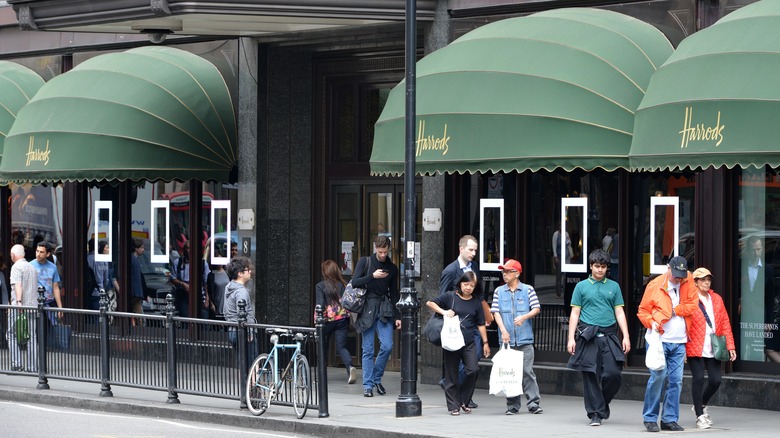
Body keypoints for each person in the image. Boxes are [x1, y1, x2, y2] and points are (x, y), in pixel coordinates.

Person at [566, 249, 630, 426]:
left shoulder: (614, 286)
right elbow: (575, 313)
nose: (600, 270)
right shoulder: (581, 287)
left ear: (607, 268)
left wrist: (626, 336)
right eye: (597, 266)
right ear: (591, 266)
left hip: (609, 335)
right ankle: (595, 413)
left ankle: (601, 404)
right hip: (588, 336)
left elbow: (619, 311)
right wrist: (571, 338)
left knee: (613, 373)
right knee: (590, 375)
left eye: (603, 267)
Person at [637, 255, 699, 432]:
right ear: (668, 268)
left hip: (679, 341)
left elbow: (692, 305)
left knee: (676, 381)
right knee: (658, 377)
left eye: (681, 275)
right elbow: (642, 311)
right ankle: (650, 417)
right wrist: (652, 322)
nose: (678, 279)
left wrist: (674, 310)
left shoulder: (689, 281)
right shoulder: (655, 285)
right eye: (675, 274)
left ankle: (669, 419)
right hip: (659, 340)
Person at [427, 271, 490, 415]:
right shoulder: (450, 296)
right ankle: (453, 406)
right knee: (451, 374)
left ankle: (463, 400)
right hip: (452, 340)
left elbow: (481, 323)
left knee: (472, 370)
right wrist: (444, 311)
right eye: (465, 284)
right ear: (460, 283)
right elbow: (430, 303)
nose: (468, 287)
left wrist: (485, 343)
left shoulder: (476, 301)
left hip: (469, 342)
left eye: (471, 285)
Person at [490, 259, 543, 415]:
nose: (504, 275)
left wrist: (524, 317)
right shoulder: (499, 291)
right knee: (510, 373)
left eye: (507, 272)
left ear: (517, 273)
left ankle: (533, 403)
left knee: (527, 372)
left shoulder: (528, 290)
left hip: (525, 339)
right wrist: (503, 330)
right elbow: (495, 312)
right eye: (503, 272)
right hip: (506, 341)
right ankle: (512, 406)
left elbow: (537, 308)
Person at [685, 267, 736, 429]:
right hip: (695, 345)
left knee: (716, 380)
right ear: (695, 282)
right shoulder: (690, 299)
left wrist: (730, 345)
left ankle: (701, 404)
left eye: (708, 279)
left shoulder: (717, 299)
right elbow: (684, 324)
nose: (706, 282)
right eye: (702, 279)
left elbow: (725, 323)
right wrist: (683, 347)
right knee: (698, 379)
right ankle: (700, 415)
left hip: (714, 346)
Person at [352, 236, 400, 398]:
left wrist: (398, 316)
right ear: (375, 248)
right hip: (367, 307)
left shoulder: (392, 268)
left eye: (385, 252)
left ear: (389, 249)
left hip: (384, 308)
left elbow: (394, 293)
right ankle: (368, 385)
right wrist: (373, 276)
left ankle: (376, 378)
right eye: (380, 252)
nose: (382, 255)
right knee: (368, 349)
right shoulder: (365, 262)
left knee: (387, 346)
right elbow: (355, 282)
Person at [439, 234, 482, 408]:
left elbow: (478, 293)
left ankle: (462, 393)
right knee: (455, 364)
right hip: (456, 325)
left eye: (475, 250)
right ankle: (460, 398)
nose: (473, 253)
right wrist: (446, 314)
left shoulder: (475, 267)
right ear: (461, 249)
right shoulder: (450, 270)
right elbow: (442, 296)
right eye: (470, 250)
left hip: (472, 321)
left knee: (473, 361)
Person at [315, 260, 358, 384]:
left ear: (325, 272)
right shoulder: (343, 285)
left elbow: (320, 305)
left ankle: (321, 375)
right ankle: (350, 367)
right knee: (341, 347)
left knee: (323, 346)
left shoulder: (320, 286)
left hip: (326, 320)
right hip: (342, 319)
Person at [740, 236, 778, 362]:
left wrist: (769, 321)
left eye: (759, 249)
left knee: (762, 347)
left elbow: (770, 298)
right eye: (753, 250)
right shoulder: (741, 267)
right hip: (744, 315)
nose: (756, 253)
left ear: (762, 250)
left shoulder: (767, 270)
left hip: (761, 314)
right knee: (745, 347)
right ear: (748, 251)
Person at [8, 244, 39, 372]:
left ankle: (17, 364)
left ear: (13, 255)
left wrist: (19, 302)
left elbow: (18, 285)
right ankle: (32, 367)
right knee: (32, 337)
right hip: (33, 306)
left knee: (11, 334)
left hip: (19, 307)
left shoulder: (16, 267)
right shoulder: (32, 267)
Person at [223, 256, 257, 368]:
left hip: (233, 330)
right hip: (243, 331)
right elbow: (243, 314)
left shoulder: (229, 287)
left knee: (242, 361)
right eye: (247, 270)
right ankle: (252, 384)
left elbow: (225, 311)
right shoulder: (241, 291)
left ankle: (244, 384)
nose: (250, 272)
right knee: (252, 362)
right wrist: (250, 332)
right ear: (240, 273)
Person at [29, 241, 63, 324]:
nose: (38, 254)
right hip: (34, 304)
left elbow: (55, 287)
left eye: (41, 252)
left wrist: (60, 307)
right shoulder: (30, 266)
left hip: (49, 303)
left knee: (51, 329)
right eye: (37, 251)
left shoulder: (53, 267)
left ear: (48, 254)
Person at [552, 228, 573, 297]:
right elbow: (554, 246)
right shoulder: (556, 234)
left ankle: (565, 291)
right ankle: (558, 292)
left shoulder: (566, 233)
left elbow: (569, 244)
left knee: (566, 275)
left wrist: (568, 240)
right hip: (559, 256)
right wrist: (555, 256)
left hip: (566, 257)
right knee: (559, 275)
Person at [130, 239, 145, 319]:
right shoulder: (133, 260)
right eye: (141, 247)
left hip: (136, 293)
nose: (143, 250)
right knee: (140, 317)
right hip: (135, 293)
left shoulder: (134, 260)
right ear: (136, 248)